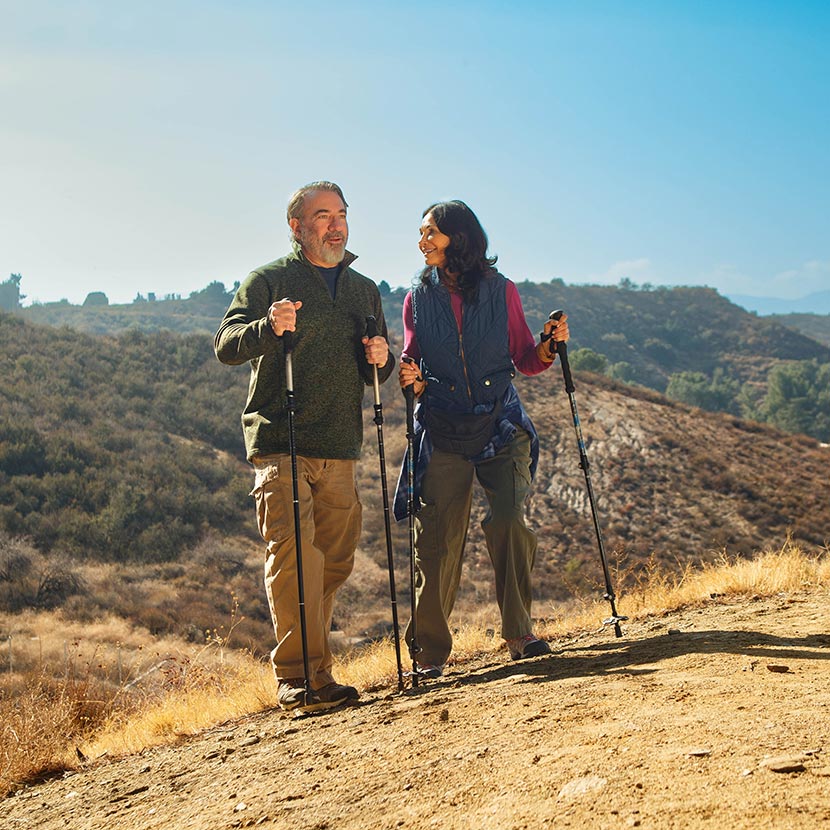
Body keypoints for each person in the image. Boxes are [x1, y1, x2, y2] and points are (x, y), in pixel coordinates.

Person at [215, 181, 394, 712]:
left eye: (341, 214)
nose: (336, 224)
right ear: (297, 227)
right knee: (294, 559)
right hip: (281, 440)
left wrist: (379, 356)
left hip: (340, 445)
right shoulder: (269, 279)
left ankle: (317, 668)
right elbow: (226, 344)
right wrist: (268, 327)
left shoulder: (365, 290)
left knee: (333, 563)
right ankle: (298, 677)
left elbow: (371, 373)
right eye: (323, 215)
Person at [395, 200, 569, 678]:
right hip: (443, 427)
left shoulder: (501, 291)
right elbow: (412, 359)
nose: (422, 241)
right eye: (421, 233)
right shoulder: (415, 298)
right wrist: (410, 375)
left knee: (510, 519)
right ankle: (430, 655)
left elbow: (525, 359)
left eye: (431, 232)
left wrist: (549, 345)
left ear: (460, 238)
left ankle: (520, 633)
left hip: (499, 424)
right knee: (434, 542)